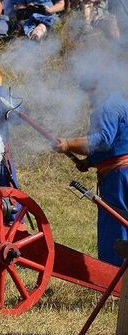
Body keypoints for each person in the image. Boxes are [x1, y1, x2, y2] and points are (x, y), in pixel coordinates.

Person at [54, 83, 128, 267]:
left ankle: (114, 277)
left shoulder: (107, 105)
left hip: (119, 176)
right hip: (118, 172)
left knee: (115, 224)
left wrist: (68, 144)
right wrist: (89, 161)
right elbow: (112, 144)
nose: (88, 96)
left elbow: (103, 140)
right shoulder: (116, 101)